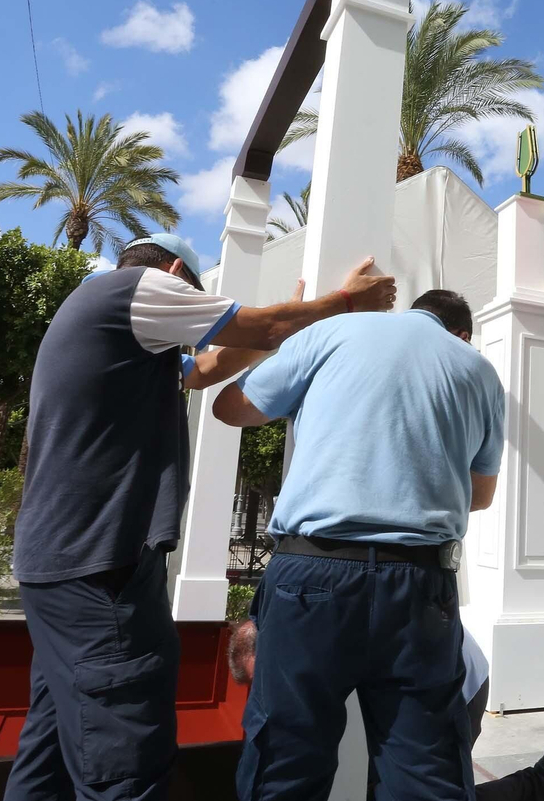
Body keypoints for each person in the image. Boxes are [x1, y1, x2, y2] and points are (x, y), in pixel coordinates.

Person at [3, 234, 396, 801]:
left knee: (51, 747)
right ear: (173, 272)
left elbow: (208, 367)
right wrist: (343, 301)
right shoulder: (132, 289)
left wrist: (284, 326)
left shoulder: (117, 334)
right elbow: (256, 326)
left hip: (62, 566)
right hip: (98, 567)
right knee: (124, 757)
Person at [213, 289, 504, 801]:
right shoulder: (477, 370)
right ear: (461, 334)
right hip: (420, 583)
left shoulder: (328, 334)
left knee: (283, 762)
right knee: (425, 768)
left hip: (312, 573)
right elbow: (480, 496)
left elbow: (230, 408)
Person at [226, 620, 544, 801]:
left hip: (460, 686)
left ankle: (542, 779)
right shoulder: (296, 635)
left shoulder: (317, 637)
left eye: (265, 682)